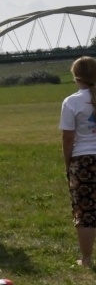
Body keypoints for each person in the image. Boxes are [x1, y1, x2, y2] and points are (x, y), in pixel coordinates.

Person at [59, 56, 96, 267]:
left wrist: (68, 163)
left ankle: (87, 258)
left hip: (83, 160)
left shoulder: (72, 102)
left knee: (86, 211)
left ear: (76, 77)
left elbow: (68, 137)